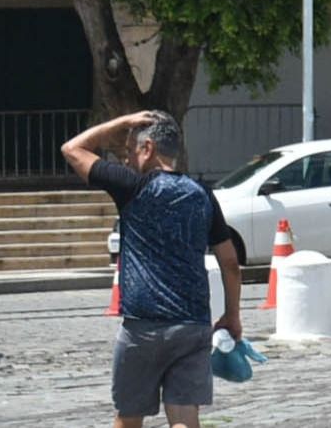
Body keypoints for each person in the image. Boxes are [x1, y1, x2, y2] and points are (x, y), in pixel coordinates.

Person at [63, 111, 243, 428]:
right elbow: (229, 262)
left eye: (131, 151)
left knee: (129, 417)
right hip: (192, 324)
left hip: (142, 327)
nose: (128, 160)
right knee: (186, 416)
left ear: (148, 149)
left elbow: (72, 149)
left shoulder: (131, 186)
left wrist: (119, 123)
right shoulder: (202, 194)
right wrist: (232, 316)